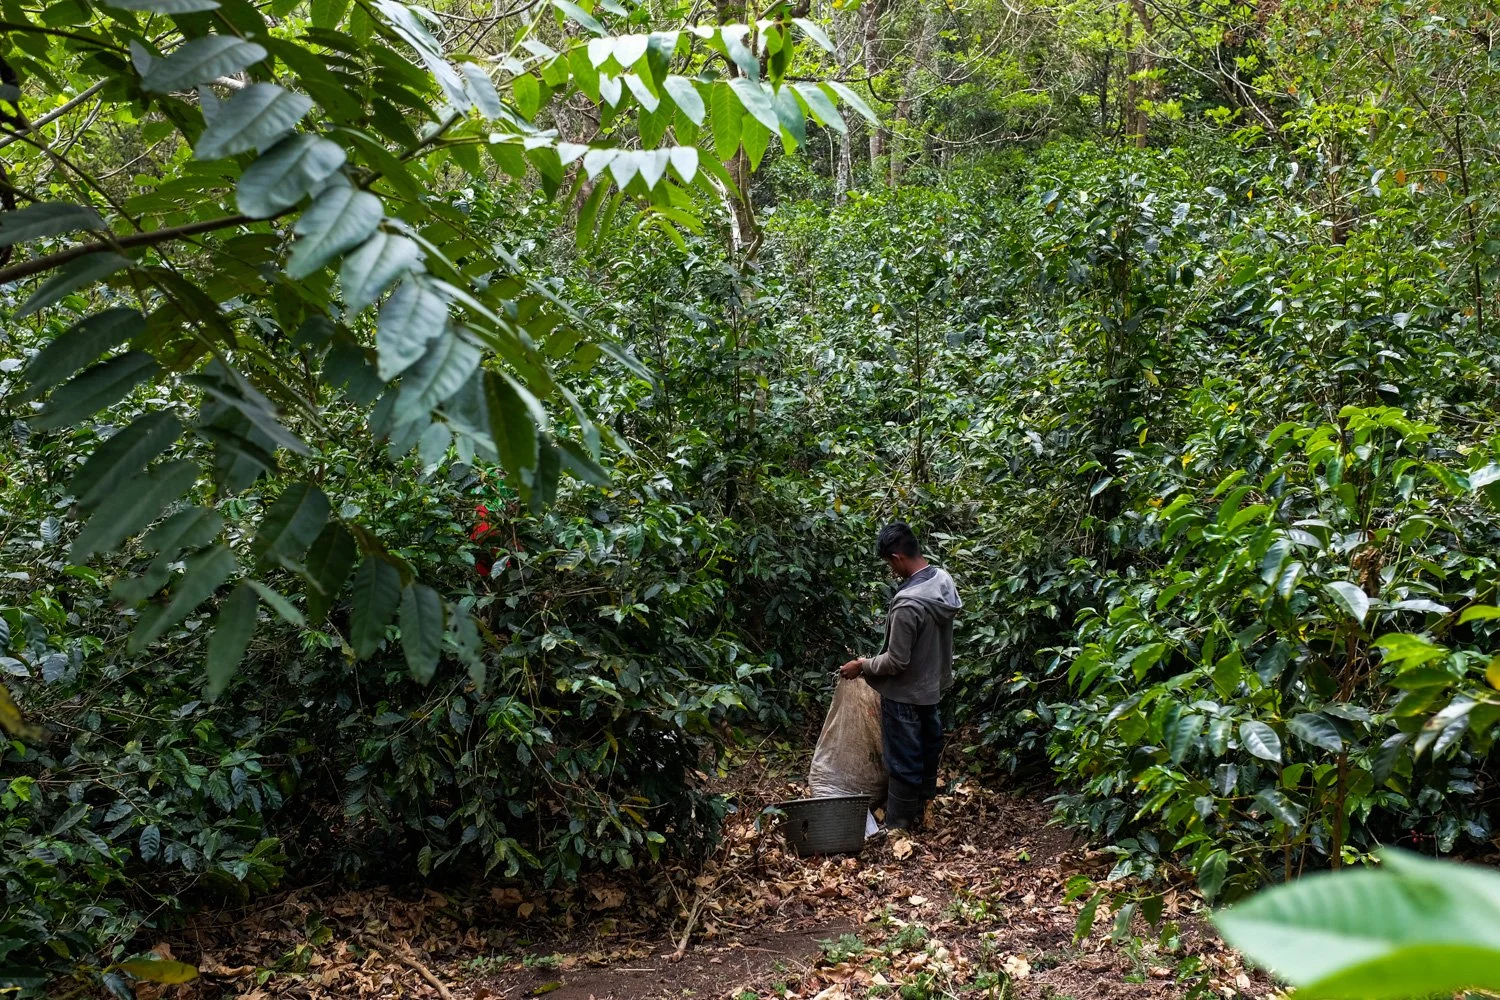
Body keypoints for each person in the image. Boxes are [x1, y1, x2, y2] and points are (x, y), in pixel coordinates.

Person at [840, 522, 962, 832]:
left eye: (889, 565)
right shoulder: (942, 581)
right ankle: (922, 809)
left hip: (905, 694)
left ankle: (899, 825)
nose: (891, 572)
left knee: (903, 761)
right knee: (927, 751)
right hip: (932, 688)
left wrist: (862, 664)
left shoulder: (908, 604)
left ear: (897, 557)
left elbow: (896, 661)